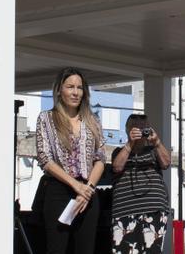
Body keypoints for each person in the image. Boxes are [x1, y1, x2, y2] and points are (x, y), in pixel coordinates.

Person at [35, 68, 107, 254]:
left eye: (79, 88)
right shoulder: (46, 118)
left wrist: (86, 190)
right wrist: (75, 185)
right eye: (70, 87)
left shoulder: (92, 120)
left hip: (87, 194)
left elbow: (100, 158)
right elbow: (45, 158)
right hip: (58, 191)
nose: (75, 92)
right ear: (59, 90)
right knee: (56, 248)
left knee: (86, 249)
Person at [109, 113, 172, 254]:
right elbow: (117, 167)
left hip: (153, 208)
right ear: (127, 130)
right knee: (123, 250)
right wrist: (130, 144)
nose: (139, 131)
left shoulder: (154, 150)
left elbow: (167, 163)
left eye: (143, 127)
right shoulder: (119, 151)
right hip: (124, 210)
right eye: (134, 127)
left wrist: (156, 142)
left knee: (152, 251)